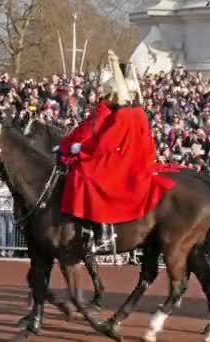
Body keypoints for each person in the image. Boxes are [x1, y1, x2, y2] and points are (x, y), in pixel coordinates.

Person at [58, 51, 175, 248]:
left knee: (86, 175)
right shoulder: (138, 112)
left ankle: (102, 227)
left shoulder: (123, 115)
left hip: (123, 160)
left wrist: (80, 148)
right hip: (135, 158)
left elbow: (105, 143)